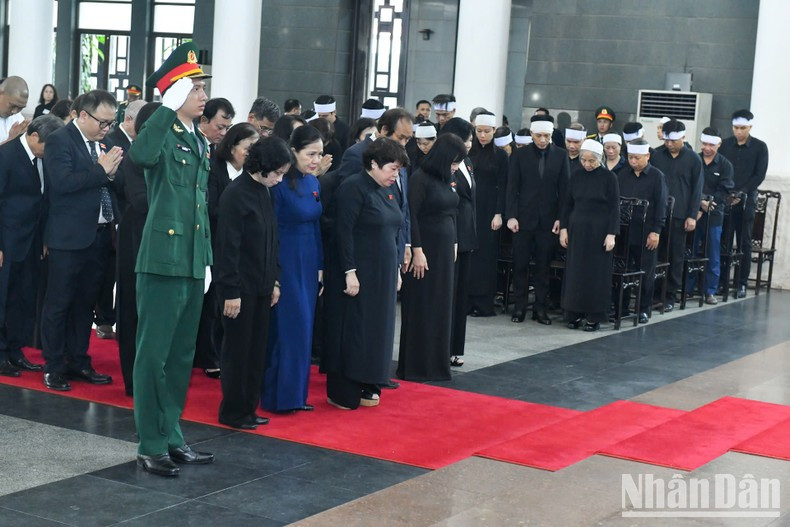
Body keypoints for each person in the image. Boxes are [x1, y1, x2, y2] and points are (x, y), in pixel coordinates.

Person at [129, 42, 214, 477]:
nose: (203, 95)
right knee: (153, 355)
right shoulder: (164, 132)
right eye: (195, 87)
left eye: (201, 87)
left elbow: (199, 204)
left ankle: (172, 434)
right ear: (176, 92)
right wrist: (164, 108)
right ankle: (150, 442)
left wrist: (207, 259)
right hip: (162, 260)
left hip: (191, 261)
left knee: (181, 357)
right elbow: (139, 156)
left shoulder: (199, 139)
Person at [41, 89, 122, 391]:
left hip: (100, 236)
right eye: (103, 122)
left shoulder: (106, 142)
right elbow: (63, 184)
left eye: (111, 123)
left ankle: (78, 360)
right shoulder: (60, 140)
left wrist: (111, 175)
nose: (107, 129)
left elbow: (114, 181)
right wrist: (101, 171)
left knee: (85, 304)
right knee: (59, 302)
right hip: (68, 236)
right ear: (82, 115)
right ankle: (54, 364)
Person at [322, 137, 408, 409]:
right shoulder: (353, 188)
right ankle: (345, 386)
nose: (395, 175)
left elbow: (394, 228)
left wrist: (395, 269)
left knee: (377, 329)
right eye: (392, 169)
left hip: (382, 273)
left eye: (398, 170)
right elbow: (342, 233)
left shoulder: (388, 190)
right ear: (373, 164)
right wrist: (349, 270)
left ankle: (370, 380)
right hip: (357, 272)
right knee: (354, 328)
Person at [216, 138, 291, 428]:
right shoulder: (236, 194)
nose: (280, 179)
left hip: (261, 286)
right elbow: (228, 248)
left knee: (256, 350)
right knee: (237, 352)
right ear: (262, 166)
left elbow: (273, 241)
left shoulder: (265, 191)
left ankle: (249, 406)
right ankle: (233, 410)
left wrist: (275, 281)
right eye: (278, 172)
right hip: (239, 288)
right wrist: (230, 291)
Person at [261, 125, 324, 413]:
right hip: (286, 259)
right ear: (294, 152)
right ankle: (278, 396)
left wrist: (321, 265)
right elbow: (270, 230)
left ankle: (297, 395)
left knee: (305, 328)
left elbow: (317, 226)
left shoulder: (313, 183)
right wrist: (274, 274)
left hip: (309, 261)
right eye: (310, 154)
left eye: (320, 154)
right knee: (288, 329)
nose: (315, 160)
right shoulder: (280, 185)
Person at [397, 134, 466, 382]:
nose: (456, 167)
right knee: (423, 304)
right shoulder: (420, 178)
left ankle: (437, 363)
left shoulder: (449, 178)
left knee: (441, 304)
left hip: (446, 247)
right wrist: (416, 249)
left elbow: (454, 211)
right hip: (425, 248)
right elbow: (411, 216)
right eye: (454, 162)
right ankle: (417, 365)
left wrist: (456, 240)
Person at [0, 115, 64, 377]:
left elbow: (46, 199)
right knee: (3, 297)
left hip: (33, 240)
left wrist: (45, 238)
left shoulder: (43, 159)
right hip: (8, 240)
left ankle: (15, 350)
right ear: (35, 136)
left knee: (24, 298)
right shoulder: (6, 155)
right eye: (49, 145)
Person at [196, 122, 260, 378]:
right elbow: (210, 208)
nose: (253, 153)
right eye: (249, 147)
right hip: (213, 242)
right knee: (212, 303)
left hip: (241, 247)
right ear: (233, 147)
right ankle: (209, 356)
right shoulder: (214, 170)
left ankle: (223, 352)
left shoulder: (252, 174)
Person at [114, 101, 161, 396]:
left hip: (160, 239)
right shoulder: (134, 159)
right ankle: (134, 379)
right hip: (137, 238)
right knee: (133, 308)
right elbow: (142, 202)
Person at [506, 115, 569, 325]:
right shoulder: (520, 155)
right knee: (520, 266)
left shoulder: (561, 156)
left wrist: (561, 219)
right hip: (523, 220)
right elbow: (512, 187)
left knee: (543, 268)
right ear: (532, 134)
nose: (543, 139)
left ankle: (540, 309)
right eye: (539, 135)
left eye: (547, 136)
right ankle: (520, 308)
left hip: (548, 221)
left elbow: (565, 191)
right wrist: (511, 216)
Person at [92, 99, 145, 342]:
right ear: (129, 119)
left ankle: (115, 319)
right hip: (115, 213)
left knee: (120, 271)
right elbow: (115, 181)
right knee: (105, 274)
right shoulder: (112, 141)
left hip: (131, 218)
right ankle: (104, 319)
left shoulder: (140, 142)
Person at [560, 139, 620, 332]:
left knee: (596, 274)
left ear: (599, 159)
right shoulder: (576, 175)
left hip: (599, 231)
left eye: (591, 161)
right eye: (583, 160)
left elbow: (614, 209)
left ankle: (594, 316)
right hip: (577, 229)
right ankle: (574, 313)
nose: (586, 164)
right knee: (576, 272)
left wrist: (611, 234)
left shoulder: (609, 178)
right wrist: (564, 229)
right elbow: (567, 204)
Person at [650, 119, 704, 311]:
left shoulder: (693, 159)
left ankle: (670, 295)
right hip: (658, 215)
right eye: (666, 140)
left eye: (673, 141)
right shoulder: (656, 156)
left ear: (682, 138)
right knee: (655, 254)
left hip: (680, 216)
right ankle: (654, 293)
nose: (669, 144)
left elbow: (697, 189)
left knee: (675, 255)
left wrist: (692, 215)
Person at [615, 138, 668, 324]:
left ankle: (643, 309)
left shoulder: (657, 177)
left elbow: (661, 206)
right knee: (624, 270)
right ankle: (621, 307)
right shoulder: (622, 175)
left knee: (645, 272)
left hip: (647, 233)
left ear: (647, 156)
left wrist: (656, 231)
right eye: (630, 157)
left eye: (637, 158)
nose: (633, 161)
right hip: (625, 232)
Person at [718, 109, 769, 298]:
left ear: (750, 127)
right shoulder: (726, 146)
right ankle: (723, 282)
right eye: (736, 127)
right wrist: (728, 192)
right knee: (724, 240)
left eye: (743, 128)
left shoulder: (760, 147)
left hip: (747, 199)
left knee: (744, 243)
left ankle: (741, 283)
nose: (738, 131)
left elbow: (759, 175)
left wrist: (743, 192)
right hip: (727, 198)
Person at [439, 118, 476, 368]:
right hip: (451, 237)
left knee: (461, 295)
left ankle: (456, 348)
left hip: (467, 235)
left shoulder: (468, 163)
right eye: (467, 141)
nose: (470, 145)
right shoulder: (444, 167)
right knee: (448, 296)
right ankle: (442, 347)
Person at [468, 112, 508, 318]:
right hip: (470, 209)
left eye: (487, 131)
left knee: (486, 256)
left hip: (490, 211)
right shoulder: (468, 152)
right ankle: (466, 301)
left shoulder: (500, 155)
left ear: (494, 131)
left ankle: (484, 303)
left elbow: (504, 187)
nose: (482, 135)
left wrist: (499, 213)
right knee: (470, 254)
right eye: (479, 131)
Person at [689, 127, 734, 304]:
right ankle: (688, 288)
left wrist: (708, 204)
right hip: (694, 213)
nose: (707, 148)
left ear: (719, 144)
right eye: (704, 144)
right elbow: (690, 184)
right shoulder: (694, 160)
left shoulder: (725, 165)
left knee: (713, 253)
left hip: (714, 215)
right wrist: (700, 202)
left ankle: (710, 291)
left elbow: (724, 189)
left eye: (711, 145)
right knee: (691, 251)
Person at [0, 76, 29, 145]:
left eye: (20, 108)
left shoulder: (18, 117)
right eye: (12, 105)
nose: (15, 112)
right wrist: (10, 141)